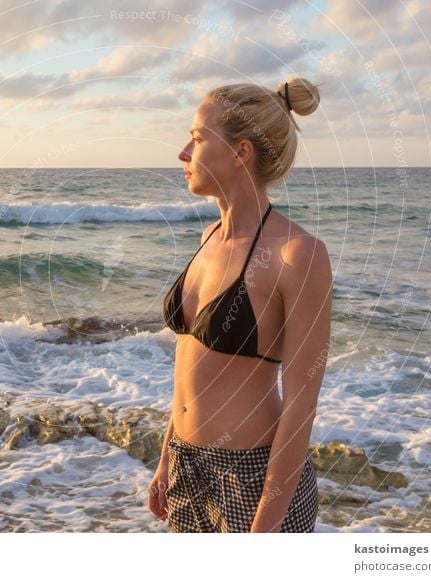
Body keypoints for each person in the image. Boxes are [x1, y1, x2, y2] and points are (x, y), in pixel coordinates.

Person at [146, 77, 332, 532]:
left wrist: (263, 531)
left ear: (240, 153)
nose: (183, 154)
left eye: (195, 138)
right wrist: (167, 457)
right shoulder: (207, 237)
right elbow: (189, 367)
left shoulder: (298, 255)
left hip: (251, 481)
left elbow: (301, 403)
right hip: (187, 470)